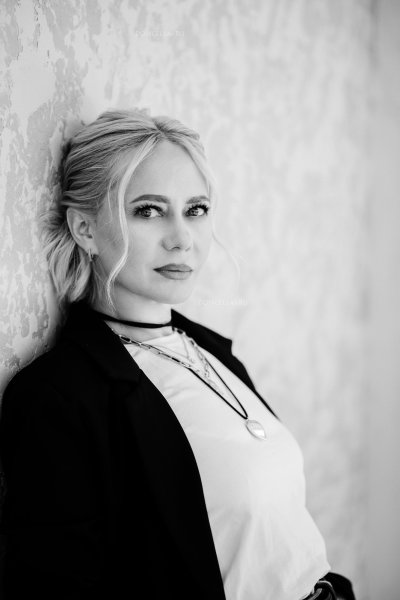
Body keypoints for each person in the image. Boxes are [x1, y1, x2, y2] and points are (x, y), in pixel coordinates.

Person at [0, 109, 356, 600]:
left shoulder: (211, 351)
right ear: (85, 228)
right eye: (149, 210)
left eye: (195, 209)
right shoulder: (59, 397)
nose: (182, 239)